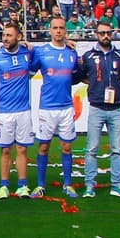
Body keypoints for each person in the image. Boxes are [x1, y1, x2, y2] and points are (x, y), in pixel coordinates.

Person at [76, 20, 120, 198]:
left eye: (108, 33)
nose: (105, 36)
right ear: (96, 35)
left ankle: (117, 185)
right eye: (102, 33)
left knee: (116, 149)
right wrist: (95, 85)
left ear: (112, 34)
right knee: (92, 149)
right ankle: (90, 185)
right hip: (97, 107)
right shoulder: (88, 56)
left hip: (115, 109)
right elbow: (80, 76)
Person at [30, 16, 81, 199]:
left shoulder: (72, 53)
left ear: (65, 31)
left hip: (66, 107)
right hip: (47, 107)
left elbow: (76, 76)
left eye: (61, 28)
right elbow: (27, 74)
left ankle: (68, 185)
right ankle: (40, 185)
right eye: (55, 28)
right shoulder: (41, 52)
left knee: (67, 147)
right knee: (43, 147)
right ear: (49, 30)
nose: (58, 31)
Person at [0, 21, 33, 199]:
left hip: (23, 111)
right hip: (5, 111)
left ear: (19, 37)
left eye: (9, 35)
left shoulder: (28, 53)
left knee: (22, 150)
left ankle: (22, 186)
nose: (5, 39)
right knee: (5, 150)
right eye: (4, 35)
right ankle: (4, 186)